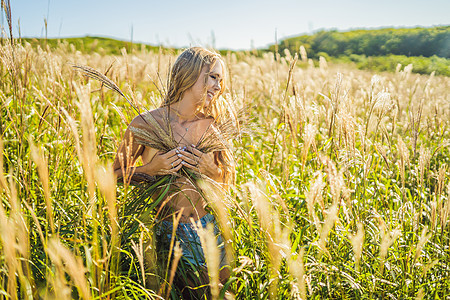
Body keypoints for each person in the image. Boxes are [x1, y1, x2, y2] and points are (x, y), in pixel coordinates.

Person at [113, 47, 234, 298]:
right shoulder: (146, 124)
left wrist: (211, 170)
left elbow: (227, 181)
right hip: (167, 232)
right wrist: (151, 169)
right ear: (188, 74)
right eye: (212, 77)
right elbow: (112, 176)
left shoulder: (212, 127)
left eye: (220, 80)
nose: (218, 86)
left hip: (209, 227)